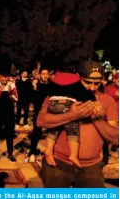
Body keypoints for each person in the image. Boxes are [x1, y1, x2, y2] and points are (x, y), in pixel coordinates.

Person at [37, 60, 118, 188]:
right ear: (79, 78)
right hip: (58, 163)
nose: (92, 87)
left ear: (102, 80)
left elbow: (114, 137)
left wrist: (96, 118)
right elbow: (41, 121)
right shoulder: (61, 93)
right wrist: (72, 114)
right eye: (87, 82)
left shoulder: (108, 101)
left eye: (96, 83)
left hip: (92, 167)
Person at [44, 70, 97, 168]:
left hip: (52, 104)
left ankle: (48, 149)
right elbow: (83, 94)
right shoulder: (76, 82)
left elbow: (48, 90)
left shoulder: (56, 78)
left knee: (55, 126)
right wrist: (93, 98)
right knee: (73, 127)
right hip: (67, 103)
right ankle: (73, 155)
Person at [0, 73, 18, 162]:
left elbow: (16, 99)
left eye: (6, 77)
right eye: (2, 77)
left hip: (9, 113)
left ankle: (10, 154)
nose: (4, 79)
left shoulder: (12, 85)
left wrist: (10, 93)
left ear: (8, 77)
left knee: (9, 134)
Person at [28, 68, 50, 163]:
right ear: (40, 74)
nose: (45, 75)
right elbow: (33, 99)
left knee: (52, 134)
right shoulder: (36, 85)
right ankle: (32, 153)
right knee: (36, 133)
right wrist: (35, 88)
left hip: (50, 113)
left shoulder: (51, 85)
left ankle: (49, 153)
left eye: (46, 74)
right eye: (43, 73)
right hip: (39, 113)